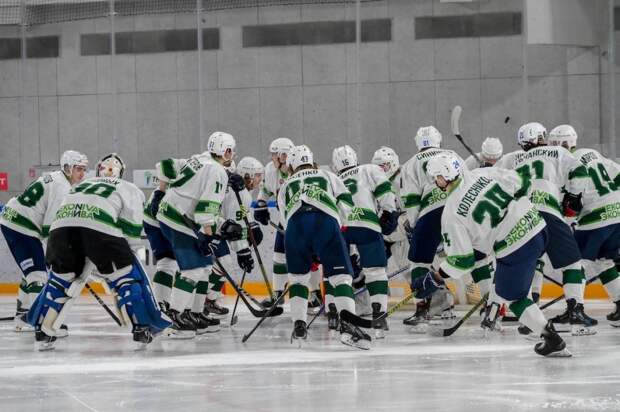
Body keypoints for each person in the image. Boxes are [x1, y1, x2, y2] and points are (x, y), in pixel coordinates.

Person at [413, 152, 571, 357]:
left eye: (436, 178)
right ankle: (495, 305)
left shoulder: (451, 213)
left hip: (516, 247)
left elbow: (462, 262)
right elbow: (523, 182)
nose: (436, 182)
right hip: (538, 227)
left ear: (443, 178)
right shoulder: (482, 173)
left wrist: (436, 277)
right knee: (508, 278)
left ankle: (552, 340)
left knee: (515, 298)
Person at [29, 153, 171, 350]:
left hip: (60, 231)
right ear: (121, 172)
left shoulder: (78, 186)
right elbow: (131, 230)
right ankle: (141, 327)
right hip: (100, 229)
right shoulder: (129, 187)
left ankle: (42, 331)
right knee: (126, 279)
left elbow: (61, 217)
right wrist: (126, 257)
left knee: (59, 281)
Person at [495, 122, 596, 335]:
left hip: (521, 217)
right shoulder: (557, 151)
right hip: (548, 211)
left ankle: (530, 320)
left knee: (532, 264)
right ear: (542, 137)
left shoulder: (514, 158)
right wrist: (573, 195)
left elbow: (496, 182)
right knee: (573, 265)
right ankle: (576, 313)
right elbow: (580, 171)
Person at [277, 145, 371, 349]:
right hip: (324, 221)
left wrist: (308, 248)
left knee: (298, 280)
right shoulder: (327, 175)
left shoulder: (286, 185)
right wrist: (338, 228)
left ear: (292, 165)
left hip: (294, 228)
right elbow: (346, 203)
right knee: (341, 278)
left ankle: (299, 326)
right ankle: (349, 327)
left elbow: (284, 219)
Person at [155, 131, 243, 338]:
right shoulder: (218, 171)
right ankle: (174, 316)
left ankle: (192, 312)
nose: (232, 154)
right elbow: (206, 209)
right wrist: (209, 236)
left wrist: (160, 191)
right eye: (231, 150)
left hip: (171, 214)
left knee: (204, 268)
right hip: (179, 220)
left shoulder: (197, 159)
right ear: (226, 151)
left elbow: (163, 165)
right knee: (194, 269)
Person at [1, 150, 88, 332]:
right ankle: (39, 322)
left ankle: (23, 316)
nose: (82, 173)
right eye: (78, 169)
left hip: (15, 222)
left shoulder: (58, 179)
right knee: (37, 274)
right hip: (21, 227)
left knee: (32, 272)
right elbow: (51, 229)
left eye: (83, 169)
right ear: (68, 168)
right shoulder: (61, 188)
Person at [549, 125, 620, 326]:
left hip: (595, 218)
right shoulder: (592, 153)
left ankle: (575, 310)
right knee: (603, 261)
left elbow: (569, 201)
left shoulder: (566, 162)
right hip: (617, 214)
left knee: (574, 263)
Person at [400, 126, 465, 326]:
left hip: (431, 212)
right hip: (459, 208)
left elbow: (411, 200)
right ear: (438, 139)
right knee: (477, 258)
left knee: (419, 263)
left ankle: (421, 309)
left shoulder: (410, 164)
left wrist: (414, 225)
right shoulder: (452, 154)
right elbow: (468, 181)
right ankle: (491, 303)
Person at [332, 145, 398, 337]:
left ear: (335, 165)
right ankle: (379, 316)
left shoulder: (333, 179)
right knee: (376, 271)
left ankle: (340, 316)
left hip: (342, 229)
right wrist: (388, 212)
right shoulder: (370, 169)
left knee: (342, 276)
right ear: (355, 158)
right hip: (367, 224)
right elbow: (385, 189)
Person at [203, 157, 264, 318]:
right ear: (248, 175)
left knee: (223, 265)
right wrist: (243, 251)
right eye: (258, 175)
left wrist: (252, 225)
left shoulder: (243, 192)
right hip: (212, 228)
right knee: (223, 264)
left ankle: (208, 300)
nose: (260, 179)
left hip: (216, 227)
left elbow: (241, 218)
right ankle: (203, 300)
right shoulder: (239, 193)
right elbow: (234, 229)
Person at [255, 137, 295, 307]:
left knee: (311, 258)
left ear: (283, 155)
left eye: (274, 154)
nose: (272, 157)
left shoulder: (298, 169)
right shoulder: (271, 170)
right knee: (279, 255)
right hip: (285, 221)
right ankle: (277, 293)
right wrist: (261, 206)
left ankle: (315, 294)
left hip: (302, 221)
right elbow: (265, 192)